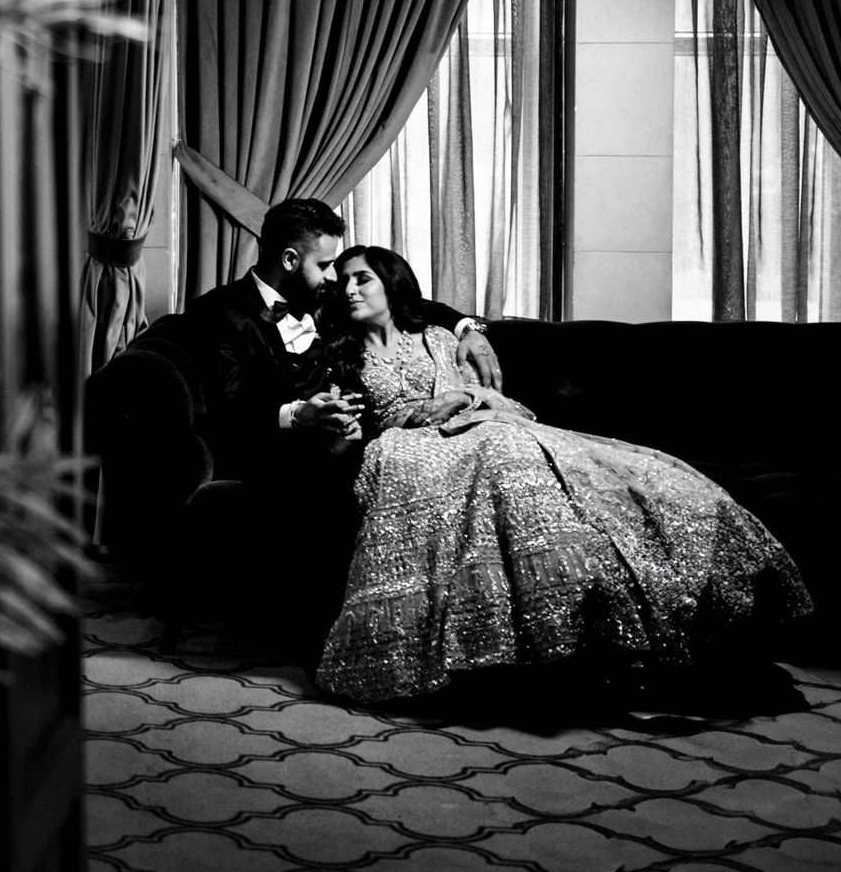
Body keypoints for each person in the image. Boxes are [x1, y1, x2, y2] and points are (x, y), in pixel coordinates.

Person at [313, 243, 813, 705]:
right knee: (487, 457)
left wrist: (460, 396)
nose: (351, 289)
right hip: (409, 449)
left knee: (539, 456)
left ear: (393, 286)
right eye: (345, 282)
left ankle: (592, 626)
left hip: (481, 427)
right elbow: (346, 429)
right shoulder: (340, 352)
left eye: (363, 279)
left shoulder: (441, 338)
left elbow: (495, 397)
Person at [85, 197, 499, 627]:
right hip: (275, 447)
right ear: (289, 258)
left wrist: (468, 328)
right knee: (356, 462)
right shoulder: (220, 313)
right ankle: (349, 621)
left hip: (364, 438)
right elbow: (232, 408)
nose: (335, 277)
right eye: (325, 265)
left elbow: (404, 300)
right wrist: (301, 415)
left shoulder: (323, 297)